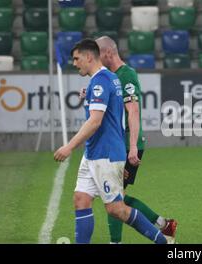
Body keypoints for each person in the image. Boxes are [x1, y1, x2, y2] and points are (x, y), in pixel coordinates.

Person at [54, 38, 170, 244]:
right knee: (81, 200)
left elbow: (95, 122)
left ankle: (162, 241)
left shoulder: (103, 80)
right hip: (92, 153)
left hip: (106, 154)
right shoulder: (105, 79)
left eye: (76, 58)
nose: (74, 63)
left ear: (89, 57)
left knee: (116, 209)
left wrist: (69, 147)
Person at [91, 36, 177, 244]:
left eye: (97, 54)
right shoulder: (109, 76)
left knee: (113, 199)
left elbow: (134, 111)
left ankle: (118, 241)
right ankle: (163, 224)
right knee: (113, 198)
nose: (93, 59)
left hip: (127, 144)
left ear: (108, 53)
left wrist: (131, 149)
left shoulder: (126, 75)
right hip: (115, 145)